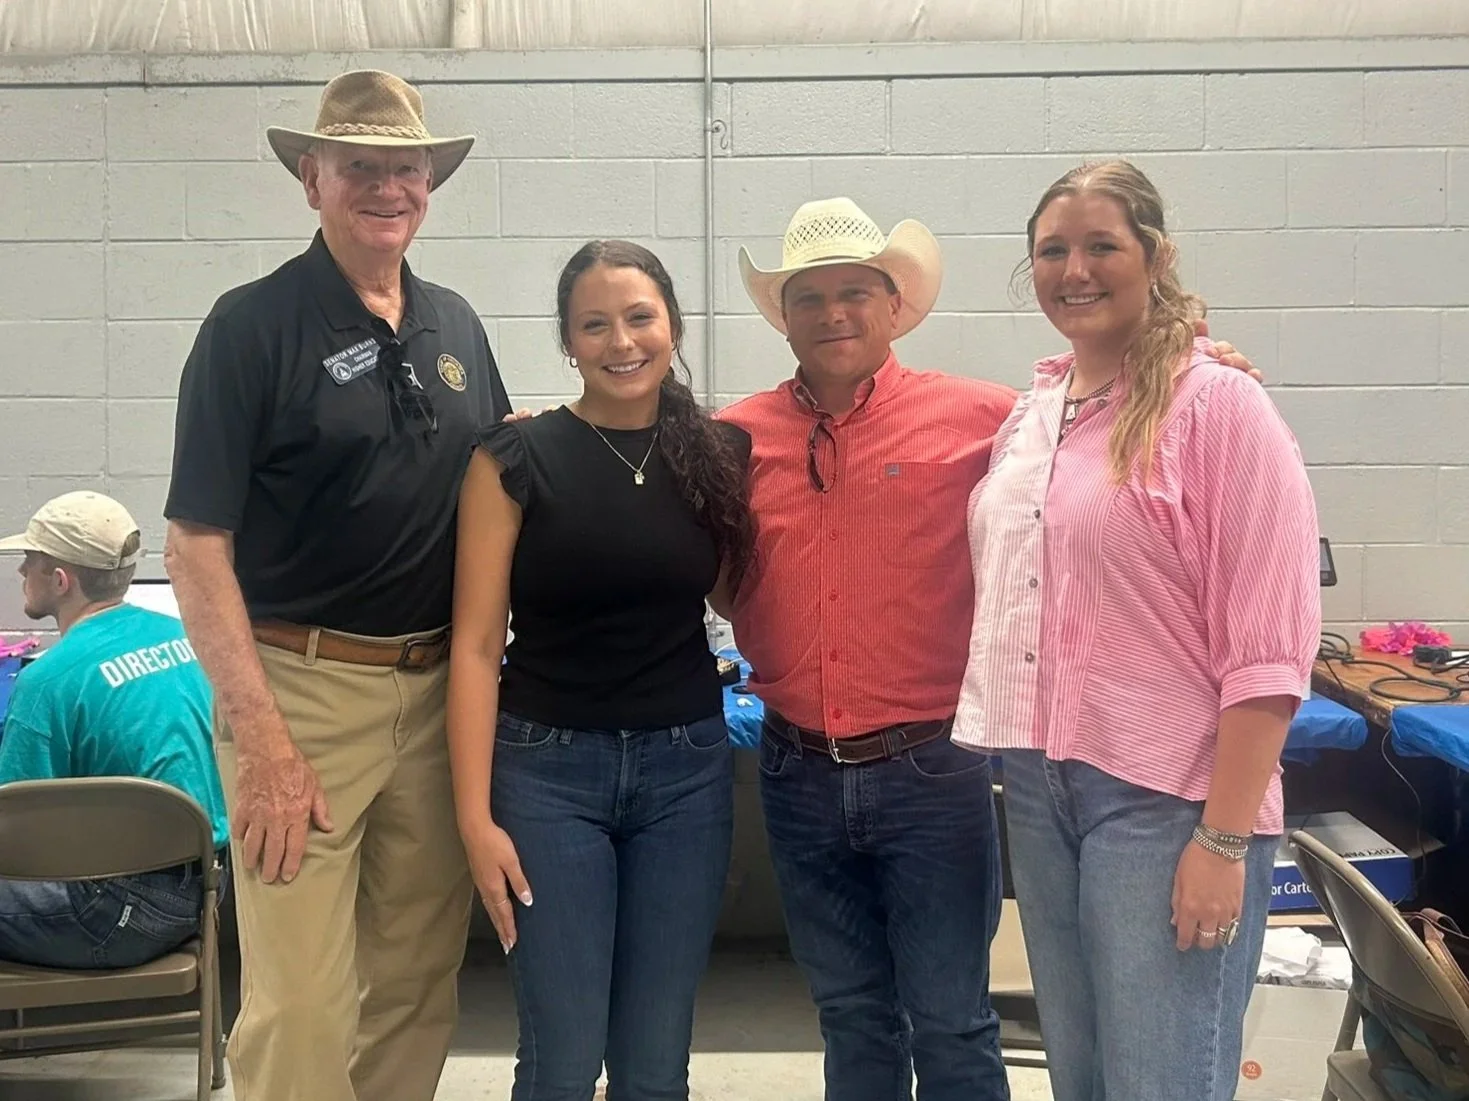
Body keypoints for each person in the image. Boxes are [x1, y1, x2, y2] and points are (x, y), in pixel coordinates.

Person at [714, 196, 1262, 1101]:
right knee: (848, 1012)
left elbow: (1100, 424)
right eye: (808, 296)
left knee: (950, 1018)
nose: (833, 313)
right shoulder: (735, 437)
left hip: (929, 769)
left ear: (895, 306)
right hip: (794, 769)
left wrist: (1195, 370)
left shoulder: (990, 418)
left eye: (855, 292)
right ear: (783, 315)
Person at [161, 70, 511, 1101]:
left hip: (437, 693)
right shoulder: (250, 327)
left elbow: (498, 485)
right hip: (298, 697)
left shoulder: (455, 325)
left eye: (404, 168)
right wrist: (261, 736)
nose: (385, 187)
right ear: (311, 179)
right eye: (359, 166)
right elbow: (194, 546)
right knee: (303, 1001)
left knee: (414, 984)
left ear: (429, 185)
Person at [951, 160, 1320, 1101]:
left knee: (1161, 1077)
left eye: (1101, 246)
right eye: (1052, 251)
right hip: (1039, 782)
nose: (1074, 270)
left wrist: (1223, 841)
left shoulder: (1219, 407)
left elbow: (1269, 654)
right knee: (1079, 1075)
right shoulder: (1033, 417)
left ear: (1154, 256)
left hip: (1166, 799)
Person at [447, 239, 754, 1101]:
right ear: (567, 341)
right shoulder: (512, 459)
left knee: (655, 1065)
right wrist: (474, 818)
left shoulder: (720, 454)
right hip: (548, 776)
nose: (621, 341)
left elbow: (735, 596)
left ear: (673, 325)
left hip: (686, 775)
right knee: (563, 1058)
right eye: (594, 324)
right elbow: (476, 646)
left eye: (638, 317)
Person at [0, 491, 228, 970]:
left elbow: (15, 837)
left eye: (30, 560)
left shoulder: (47, 681)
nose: (21, 570)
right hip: (209, 889)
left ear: (60, 580)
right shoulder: (184, 636)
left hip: (114, 915)